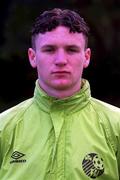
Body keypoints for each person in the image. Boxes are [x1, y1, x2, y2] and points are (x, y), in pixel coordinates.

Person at [0, 8, 120, 180]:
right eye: (49, 49)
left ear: (86, 57)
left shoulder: (116, 127)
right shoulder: (3, 128)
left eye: (71, 49)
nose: (61, 60)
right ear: (32, 57)